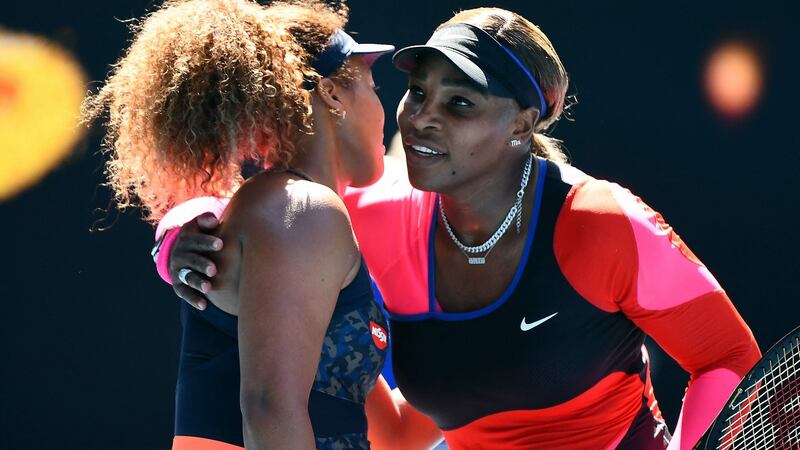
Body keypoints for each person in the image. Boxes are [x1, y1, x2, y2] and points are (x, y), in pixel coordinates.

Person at [157, 6, 762, 450]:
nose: (420, 118)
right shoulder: (368, 217)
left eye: (459, 103)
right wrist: (181, 235)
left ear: (522, 127)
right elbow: (270, 221)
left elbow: (729, 355)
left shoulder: (602, 224)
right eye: (417, 93)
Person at [80, 1, 444, 449]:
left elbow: (395, 434)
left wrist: (501, 356)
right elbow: (269, 410)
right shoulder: (301, 212)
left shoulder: (294, 214)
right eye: (371, 83)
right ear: (331, 95)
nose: (383, 107)